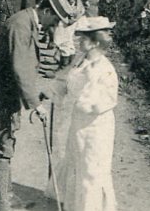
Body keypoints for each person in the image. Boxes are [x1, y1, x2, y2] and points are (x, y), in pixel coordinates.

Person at [0, 0, 77, 211]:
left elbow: (27, 63)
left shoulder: (28, 21)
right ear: (47, 11)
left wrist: (36, 94)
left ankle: (7, 197)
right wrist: (35, 104)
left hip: (6, 90)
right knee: (3, 144)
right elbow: (20, 67)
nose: (56, 25)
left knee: (8, 139)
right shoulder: (21, 25)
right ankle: (3, 204)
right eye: (56, 20)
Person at [51, 16, 118, 211]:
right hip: (78, 125)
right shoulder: (81, 60)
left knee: (91, 169)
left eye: (84, 38)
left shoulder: (105, 70)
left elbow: (102, 102)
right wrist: (56, 90)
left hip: (96, 128)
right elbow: (67, 79)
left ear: (95, 42)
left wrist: (79, 102)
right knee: (75, 162)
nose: (79, 42)